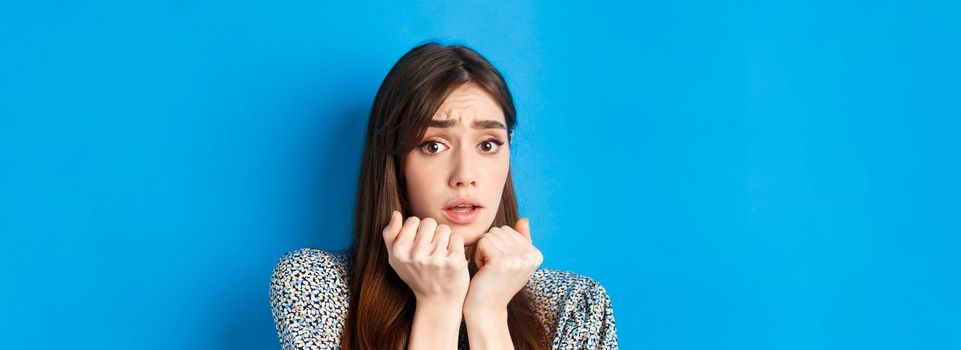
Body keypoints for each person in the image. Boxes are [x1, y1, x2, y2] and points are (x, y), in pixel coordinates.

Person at [269, 42, 618, 349]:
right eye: (433, 145)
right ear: (396, 162)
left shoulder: (575, 304)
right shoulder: (317, 284)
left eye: (488, 144)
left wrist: (489, 313)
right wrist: (437, 305)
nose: (465, 175)